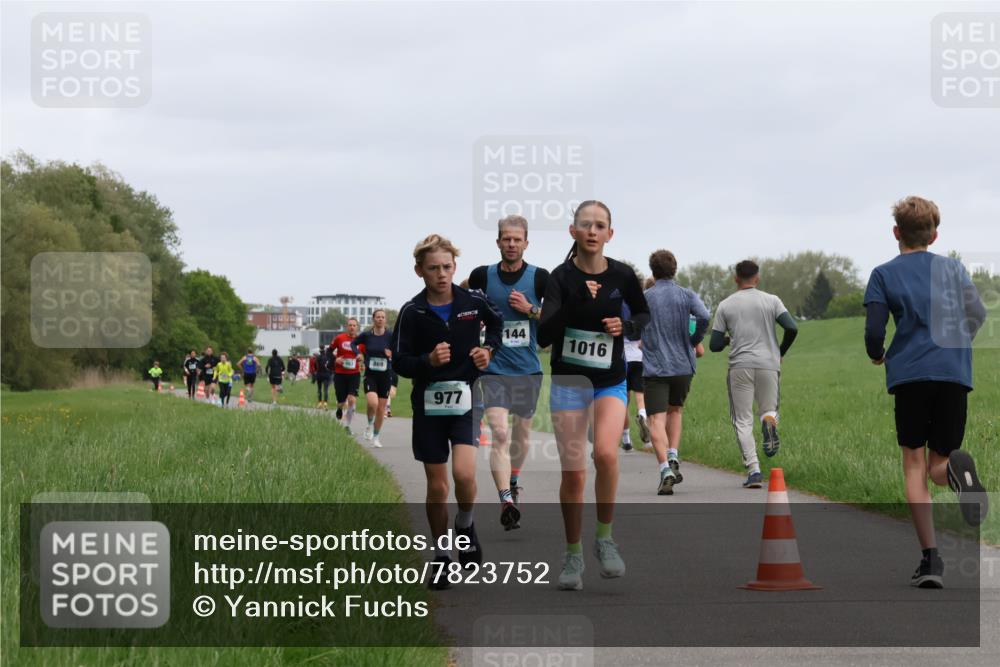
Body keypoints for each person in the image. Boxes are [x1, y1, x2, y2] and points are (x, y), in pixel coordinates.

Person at [864, 196, 988, 588]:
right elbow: (979, 314)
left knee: (914, 464)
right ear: (934, 235)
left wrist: (877, 353)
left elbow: (873, 330)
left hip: (911, 376)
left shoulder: (883, 274)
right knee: (940, 462)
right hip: (954, 373)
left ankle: (931, 561)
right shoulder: (954, 269)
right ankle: (957, 472)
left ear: (896, 232)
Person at [537, 201, 649, 591]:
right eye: (585, 225)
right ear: (573, 231)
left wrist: (627, 324)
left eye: (600, 225)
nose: (592, 231)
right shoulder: (559, 278)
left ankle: (604, 539)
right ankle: (573, 554)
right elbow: (543, 335)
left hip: (610, 380)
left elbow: (643, 315)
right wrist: (573, 302)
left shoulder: (622, 274)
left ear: (609, 234)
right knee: (574, 472)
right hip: (569, 382)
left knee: (604, 453)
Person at [391, 234, 502, 590]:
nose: (441, 274)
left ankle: (465, 524)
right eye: (433, 268)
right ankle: (441, 557)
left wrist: (489, 352)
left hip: (465, 400)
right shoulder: (412, 311)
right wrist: (427, 360)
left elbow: (497, 324)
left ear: (455, 267)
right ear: (419, 271)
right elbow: (402, 362)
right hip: (428, 405)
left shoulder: (472, 301)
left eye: (447, 267)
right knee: (437, 486)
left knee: (465, 476)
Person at [466, 215, 549, 530]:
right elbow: (459, 302)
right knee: (500, 432)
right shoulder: (482, 276)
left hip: (528, 369)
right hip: (494, 367)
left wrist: (531, 310)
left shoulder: (540, 278)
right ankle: (506, 500)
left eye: (517, 239)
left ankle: (514, 479)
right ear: (498, 241)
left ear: (526, 242)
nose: (512, 244)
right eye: (506, 238)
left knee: (520, 434)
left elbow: (557, 318)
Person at [709, 260, 798, 488]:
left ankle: (754, 470)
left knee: (742, 419)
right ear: (757, 278)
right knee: (768, 409)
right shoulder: (772, 300)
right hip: (769, 364)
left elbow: (715, 345)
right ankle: (769, 421)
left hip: (740, 366)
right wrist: (780, 352)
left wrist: (731, 338)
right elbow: (792, 327)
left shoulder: (726, 305)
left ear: (735, 279)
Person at [641, 250, 711, 495]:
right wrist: (693, 339)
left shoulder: (645, 297)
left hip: (656, 366)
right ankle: (673, 454)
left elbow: (631, 326)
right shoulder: (686, 295)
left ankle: (665, 469)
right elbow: (704, 315)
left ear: (652, 271)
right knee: (676, 411)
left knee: (655, 420)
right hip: (683, 365)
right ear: (675, 269)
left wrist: (640, 337)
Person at [352, 309, 393, 448]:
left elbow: (400, 350)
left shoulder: (390, 336)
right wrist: (358, 354)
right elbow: (353, 344)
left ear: (385, 320)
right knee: (373, 403)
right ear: (373, 319)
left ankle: (376, 436)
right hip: (371, 375)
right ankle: (369, 424)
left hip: (385, 376)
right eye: (378, 317)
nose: (380, 319)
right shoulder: (367, 335)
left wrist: (392, 354)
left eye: (383, 317)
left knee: (381, 409)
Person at [621, 301, 645, 452]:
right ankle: (642, 414)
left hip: (622, 359)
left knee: (624, 401)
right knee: (640, 397)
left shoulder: (618, 305)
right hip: (639, 356)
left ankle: (626, 440)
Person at [331, 318, 363, 430]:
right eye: (350, 325)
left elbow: (365, 355)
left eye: (354, 325)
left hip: (354, 374)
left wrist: (361, 358)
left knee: (352, 399)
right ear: (347, 326)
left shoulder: (361, 341)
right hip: (340, 374)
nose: (352, 327)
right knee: (341, 401)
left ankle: (347, 426)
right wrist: (336, 359)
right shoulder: (340, 338)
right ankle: (339, 409)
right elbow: (328, 352)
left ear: (357, 327)